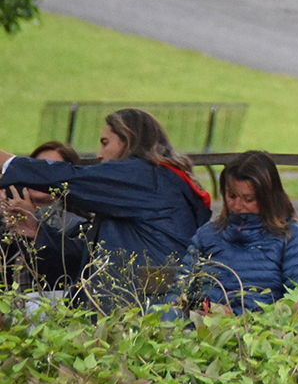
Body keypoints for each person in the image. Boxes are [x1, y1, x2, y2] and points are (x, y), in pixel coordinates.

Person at [0, 109, 211, 267]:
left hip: (138, 312)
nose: (99, 154)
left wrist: (7, 162)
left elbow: (70, 178)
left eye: (105, 142)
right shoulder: (159, 180)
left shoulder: (140, 176)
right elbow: (96, 256)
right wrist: (37, 231)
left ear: (127, 140)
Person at [179, 151, 298, 313]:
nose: (238, 206)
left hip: (265, 333)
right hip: (204, 331)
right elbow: (179, 294)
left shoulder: (294, 238)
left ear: (268, 199)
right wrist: (200, 309)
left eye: (248, 199)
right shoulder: (208, 235)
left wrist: (237, 317)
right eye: (231, 196)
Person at [0, 141, 89, 287]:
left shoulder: (75, 226)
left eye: (48, 171)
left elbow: (60, 274)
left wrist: (34, 230)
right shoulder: (6, 215)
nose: (39, 177)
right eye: (36, 168)